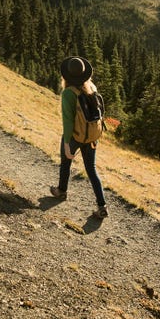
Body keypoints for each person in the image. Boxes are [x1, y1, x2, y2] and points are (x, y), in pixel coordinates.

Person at [50, 56, 108, 219]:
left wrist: (68, 144)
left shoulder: (69, 93)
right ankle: (102, 205)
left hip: (76, 136)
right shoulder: (91, 88)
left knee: (66, 163)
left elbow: (68, 121)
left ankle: (61, 191)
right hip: (91, 137)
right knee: (91, 170)